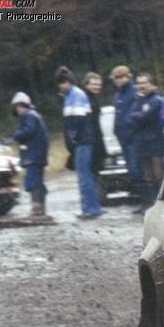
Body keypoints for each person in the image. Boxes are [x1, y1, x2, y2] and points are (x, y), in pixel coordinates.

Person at [56, 66, 101, 219]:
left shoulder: (75, 95)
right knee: (86, 175)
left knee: (84, 176)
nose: (61, 86)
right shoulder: (72, 96)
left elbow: (76, 122)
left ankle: (89, 210)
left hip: (82, 142)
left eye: (62, 82)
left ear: (68, 82)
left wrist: (72, 140)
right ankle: (93, 208)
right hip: (83, 141)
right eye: (60, 83)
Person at [129, 72, 164, 213]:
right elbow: (130, 117)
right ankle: (151, 204)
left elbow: (147, 117)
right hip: (142, 143)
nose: (141, 86)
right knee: (148, 176)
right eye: (139, 83)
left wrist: (138, 117)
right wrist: (139, 117)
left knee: (159, 175)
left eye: (144, 83)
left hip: (155, 143)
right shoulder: (137, 101)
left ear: (151, 84)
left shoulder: (157, 100)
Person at [8, 92, 50, 217]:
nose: (18, 109)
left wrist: (15, 135)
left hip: (33, 156)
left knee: (33, 182)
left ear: (23, 105)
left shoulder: (29, 116)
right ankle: (40, 208)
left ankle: (36, 208)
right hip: (38, 155)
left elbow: (28, 132)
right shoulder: (34, 115)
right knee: (38, 182)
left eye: (18, 106)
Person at [110, 65, 142, 190]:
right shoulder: (117, 95)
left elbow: (135, 115)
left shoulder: (134, 92)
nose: (118, 80)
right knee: (131, 169)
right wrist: (116, 131)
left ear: (128, 77)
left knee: (136, 168)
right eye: (116, 78)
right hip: (123, 138)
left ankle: (146, 200)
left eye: (121, 77)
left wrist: (130, 129)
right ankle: (140, 198)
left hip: (133, 137)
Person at [81, 72, 108, 179]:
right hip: (92, 140)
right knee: (92, 173)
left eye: (99, 85)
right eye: (94, 84)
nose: (97, 87)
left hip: (95, 138)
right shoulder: (86, 99)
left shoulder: (93, 98)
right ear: (86, 84)